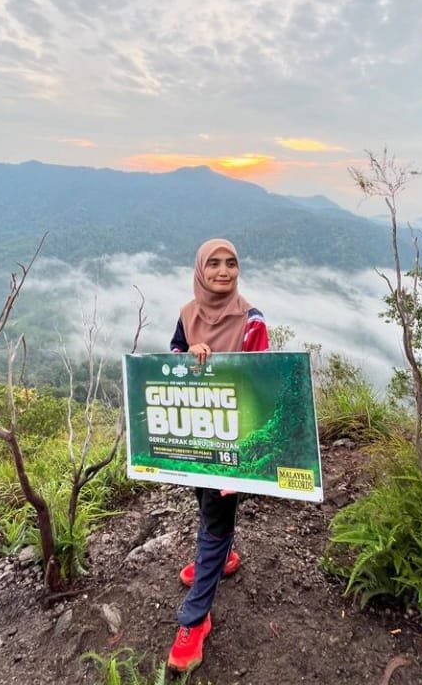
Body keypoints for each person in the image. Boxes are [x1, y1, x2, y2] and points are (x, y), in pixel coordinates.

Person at [167, 238, 269, 673]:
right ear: (200, 270)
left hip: (234, 442)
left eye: (231, 263)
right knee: (204, 502)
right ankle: (225, 556)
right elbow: (170, 358)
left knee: (214, 519)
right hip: (196, 436)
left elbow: (263, 380)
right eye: (214, 264)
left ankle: (195, 621)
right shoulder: (188, 314)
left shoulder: (251, 320)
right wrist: (188, 356)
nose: (223, 271)